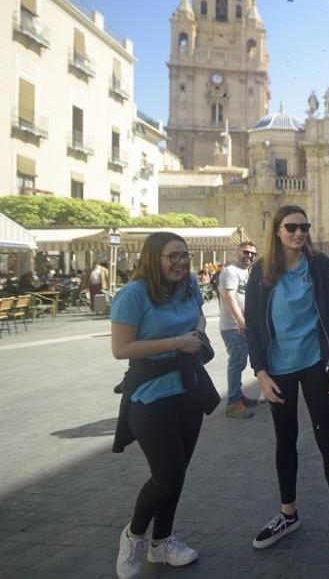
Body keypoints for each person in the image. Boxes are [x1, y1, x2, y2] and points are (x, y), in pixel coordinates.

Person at [245, 206, 329, 553]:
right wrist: (260, 373)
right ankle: (288, 513)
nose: (299, 233)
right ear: (277, 231)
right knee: (285, 440)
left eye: (304, 227)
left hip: (315, 364)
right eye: (292, 227)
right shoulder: (262, 271)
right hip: (278, 368)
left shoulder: (321, 267)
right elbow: (253, 325)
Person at [111, 232, 218, 579]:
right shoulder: (134, 294)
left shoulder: (189, 284)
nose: (181, 262)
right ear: (153, 257)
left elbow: (200, 317)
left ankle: (163, 542)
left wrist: (197, 333)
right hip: (150, 392)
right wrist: (175, 342)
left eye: (184, 256)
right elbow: (121, 348)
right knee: (166, 473)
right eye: (173, 256)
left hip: (188, 386)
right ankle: (134, 535)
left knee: (179, 472)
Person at [218, 240, 257, 418]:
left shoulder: (247, 272)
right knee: (237, 363)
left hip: (243, 326)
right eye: (245, 252)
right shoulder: (230, 272)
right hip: (233, 327)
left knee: (240, 362)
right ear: (237, 252)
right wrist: (241, 321)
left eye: (252, 253)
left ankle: (238, 395)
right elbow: (229, 298)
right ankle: (233, 402)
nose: (249, 255)